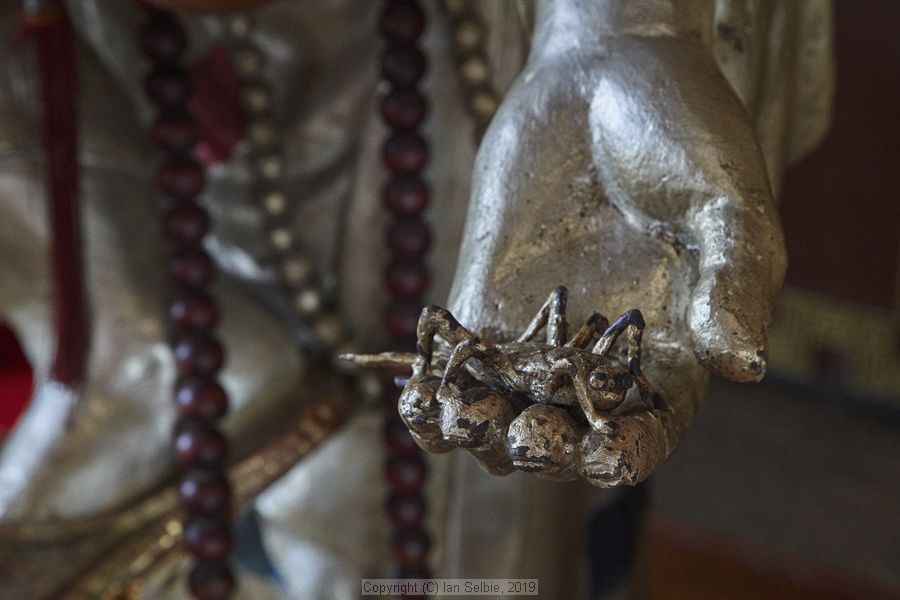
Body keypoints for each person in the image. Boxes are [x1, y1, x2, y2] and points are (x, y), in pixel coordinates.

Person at [0, 0, 832, 597]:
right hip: (156, 100)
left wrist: (621, 27)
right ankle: (136, 347)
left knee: (514, 510)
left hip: (463, 77)